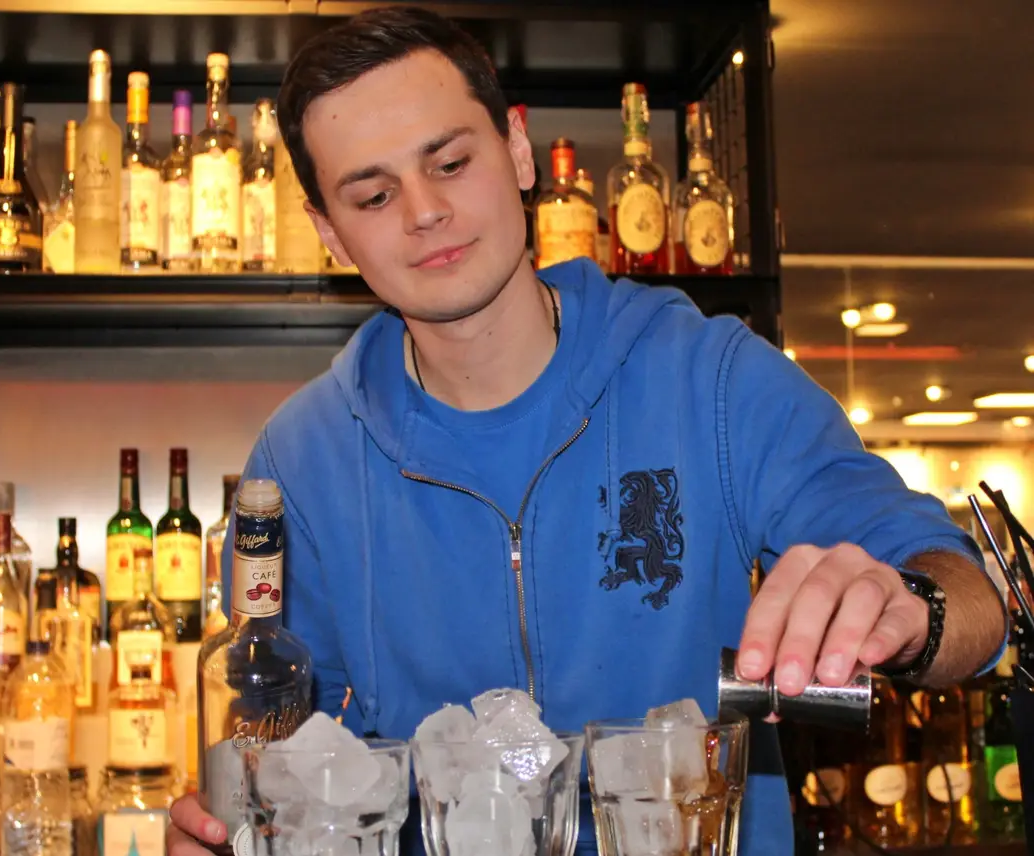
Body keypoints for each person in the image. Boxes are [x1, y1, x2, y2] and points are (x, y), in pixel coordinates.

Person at [168, 7, 1007, 855]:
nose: (425, 211)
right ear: (329, 231)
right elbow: (277, 748)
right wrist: (228, 831)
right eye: (374, 195)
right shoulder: (300, 461)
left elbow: (973, 601)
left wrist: (908, 611)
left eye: (451, 162)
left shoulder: (711, 378)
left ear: (518, 150)